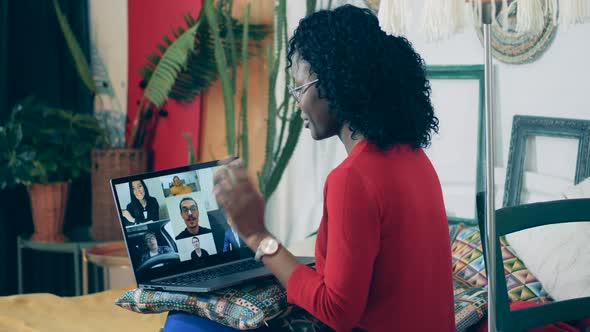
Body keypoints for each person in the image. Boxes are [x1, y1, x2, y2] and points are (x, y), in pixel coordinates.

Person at [212, 5, 455, 332]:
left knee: (185, 324)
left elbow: (337, 310)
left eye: (300, 87)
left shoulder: (352, 179)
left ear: (334, 82)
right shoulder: (414, 157)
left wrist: (258, 235)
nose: (298, 102)